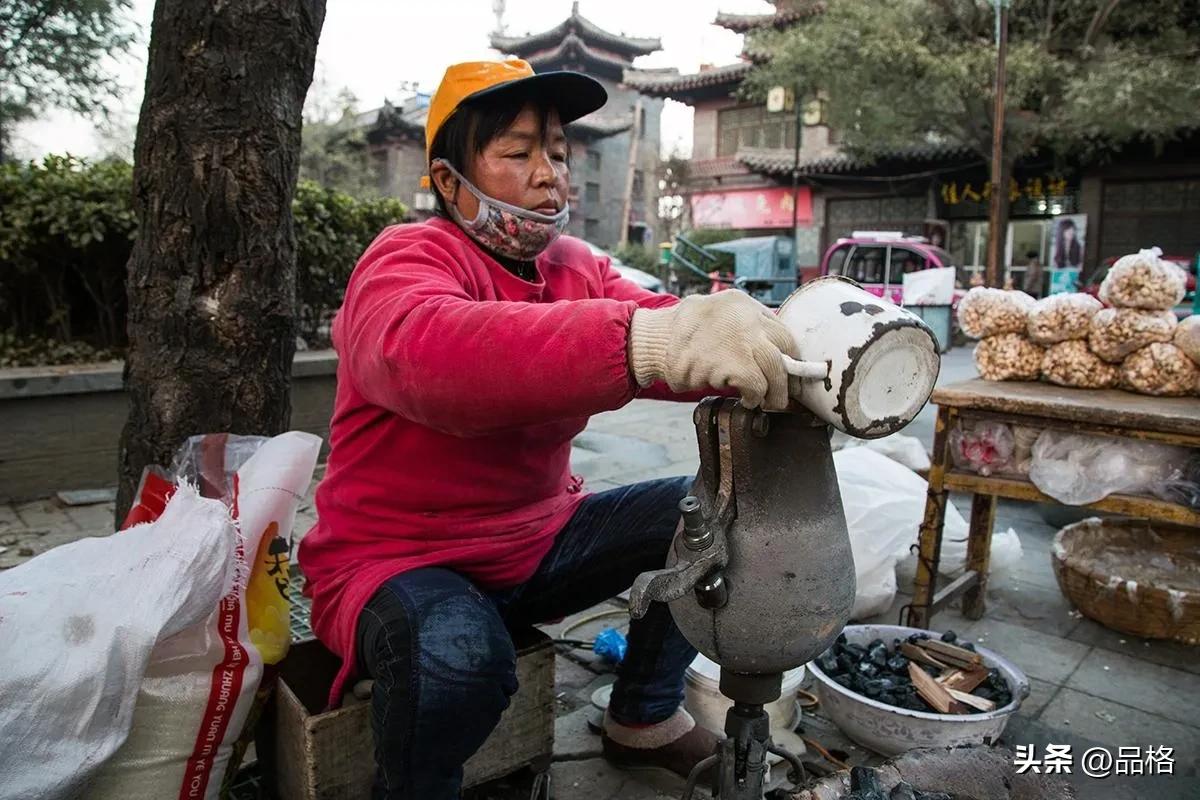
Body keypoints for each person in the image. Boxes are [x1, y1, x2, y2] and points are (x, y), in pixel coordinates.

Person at [297, 59, 800, 800]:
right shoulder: (406, 258)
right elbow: (427, 356)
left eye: (558, 154)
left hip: (538, 541)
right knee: (459, 663)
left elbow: (667, 327)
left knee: (718, 511)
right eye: (518, 152)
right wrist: (645, 341)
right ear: (446, 179)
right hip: (396, 560)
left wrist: (784, 346)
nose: (548, 176)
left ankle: (645, 717)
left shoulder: (575, 266)